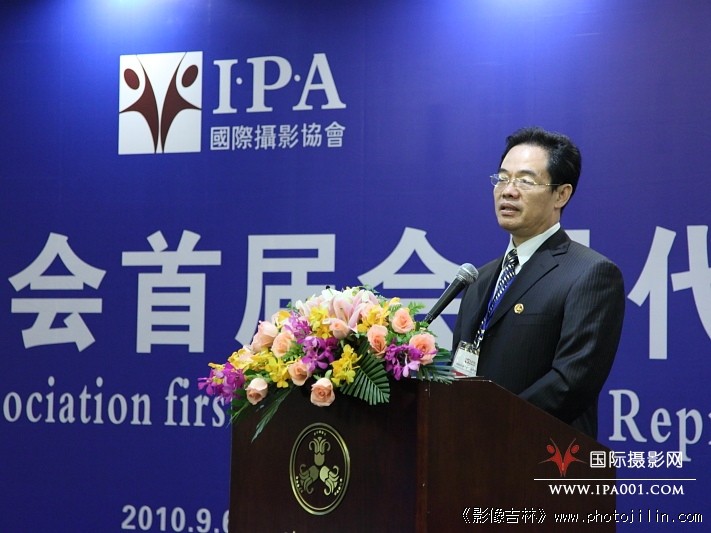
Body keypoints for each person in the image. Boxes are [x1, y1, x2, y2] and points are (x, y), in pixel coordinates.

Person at [451, 126, 625, 439]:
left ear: (562, 194)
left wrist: (492, 426)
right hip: (470, 453)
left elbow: (570, 383)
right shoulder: (480, 279)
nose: (508, 191)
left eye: (526, 181)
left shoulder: (590, 274)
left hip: (543, 455)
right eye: (502, 178)